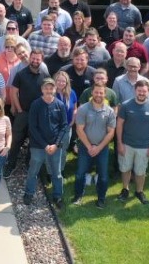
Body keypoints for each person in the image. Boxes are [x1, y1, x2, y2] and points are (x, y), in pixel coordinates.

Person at [23, 78, 68, 208]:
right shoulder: (36, 104)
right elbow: (33, 127)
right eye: (46, 88)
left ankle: (57, 196)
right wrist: (45, 145)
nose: (49, 90)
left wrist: (56, 144)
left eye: (51, 88)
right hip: (38, 146)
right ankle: (29, 193)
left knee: (57, 173)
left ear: (55, 89)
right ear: (42, 89)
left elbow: (64, 126)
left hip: (55, 146)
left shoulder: (60, 105)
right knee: (33, 171)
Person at [72, 81, 117, 207]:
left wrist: (99, 148)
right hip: (85, 147)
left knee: (103, 175)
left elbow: (111, 132)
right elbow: (79, 130)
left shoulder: (110, 111)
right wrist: (89, 146)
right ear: (92, 92)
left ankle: (101, 198)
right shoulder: (83, 109)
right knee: (80, 173)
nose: (98, 95)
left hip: (102, 148)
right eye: (96, 92)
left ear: (105, 94)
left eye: (101, 93)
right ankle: (78, 195)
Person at [115, 80, 149, 205]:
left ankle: (139, 191)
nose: (141, 93)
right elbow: (119, 124)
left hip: (144, 146)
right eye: (139, 91)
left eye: (144, 91)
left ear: (148, 92)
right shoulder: (125, 105)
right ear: (135, 91)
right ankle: (125, 189)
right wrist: (119, 143)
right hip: (126, 144)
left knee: (141, 171)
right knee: (125, 168)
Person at [54, 71, 78, 178]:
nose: (61, 83)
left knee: (63, 150)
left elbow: (75, 108)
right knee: (53, 149)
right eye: (58, 80)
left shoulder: (71, 93)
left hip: (67, 127)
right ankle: (51, 171)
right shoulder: (51, 93)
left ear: (67, 82)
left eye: (63, 81)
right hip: (53, 128)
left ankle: (61, 170)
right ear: (55, 81)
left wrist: (72, 121)